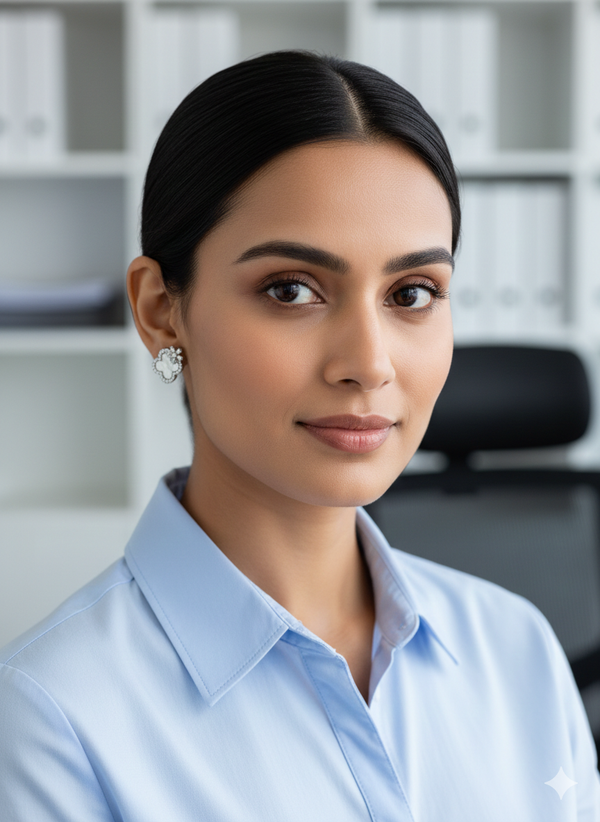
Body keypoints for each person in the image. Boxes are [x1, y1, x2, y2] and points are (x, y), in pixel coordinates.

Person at [0, 49, 598, 821]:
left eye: (413, 293)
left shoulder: (517, 650)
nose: (369, 364)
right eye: (292, 290)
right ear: (160, 310)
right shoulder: (53, 717)